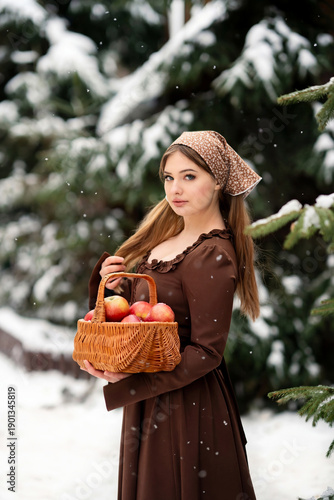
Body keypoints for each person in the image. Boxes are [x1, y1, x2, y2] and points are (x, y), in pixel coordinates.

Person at [81, 130, 262, 500]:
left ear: (217, 183)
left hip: (188, 408)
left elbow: (207, 352)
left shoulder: (212, 254)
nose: (175, 188)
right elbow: (137, 319)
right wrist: (109, 287)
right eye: (169, 177)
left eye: (189, 176)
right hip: (153, 400)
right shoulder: (163, 241)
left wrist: (128, 384)